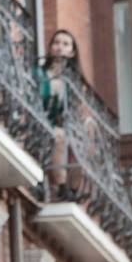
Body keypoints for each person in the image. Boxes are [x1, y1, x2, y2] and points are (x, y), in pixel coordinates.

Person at [37, 29, 83, 196]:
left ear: (72, 52)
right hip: (38, 124)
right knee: (61, 137)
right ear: (50, 48)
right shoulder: (40, 73)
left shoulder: (71, 83)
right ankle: (62, 187)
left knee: (82, 146)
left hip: (59, 128)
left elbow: (70, 115)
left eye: (65, 44)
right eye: (56, 43)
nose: (60, 47)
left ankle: (74, 189)